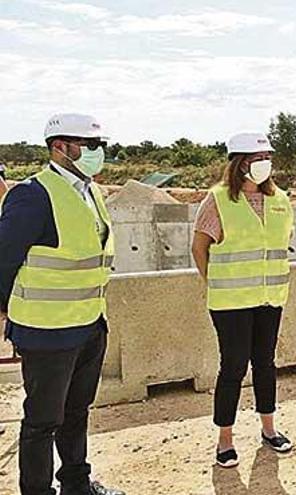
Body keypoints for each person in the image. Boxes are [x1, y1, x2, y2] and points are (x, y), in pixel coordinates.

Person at [0, 114, 124, 495]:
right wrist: (8, 311)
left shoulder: (92, 192)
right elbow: (3, 259)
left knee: (76, 413)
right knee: (42, 420)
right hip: (47, 330)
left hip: (89, 324)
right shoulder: (33, 194)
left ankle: (76, 484)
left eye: (99, 145)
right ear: (59, 148)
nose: (97, 152)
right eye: (89, 146)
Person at [191, 132, 295, 468]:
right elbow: (199, 247)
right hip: (231, 302)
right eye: (257, 158)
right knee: (233, 366)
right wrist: (216, 282)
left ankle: (269, 429)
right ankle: (225, 440)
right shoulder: (218, 199)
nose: (265, 163)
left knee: (265, 363)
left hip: (270, 298)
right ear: (240, 164)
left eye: (267, 156)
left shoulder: (280, 199)